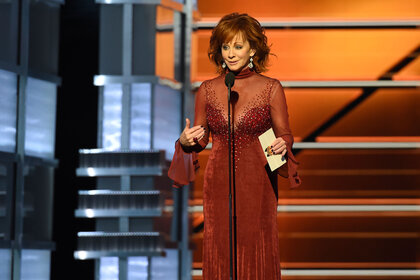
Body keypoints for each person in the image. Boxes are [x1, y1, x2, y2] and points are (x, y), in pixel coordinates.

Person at [168, 12, 301, 280]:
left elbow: (285, 134)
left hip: (258, 182)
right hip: (218, 184)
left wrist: (281, 144)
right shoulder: (207, 89)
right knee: (220, 247)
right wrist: (186, 141)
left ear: (252, 49)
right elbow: (201, 137)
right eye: (225, 46)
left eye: (238, 46)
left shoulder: (271, 88)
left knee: (255, 247)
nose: (230, 53)